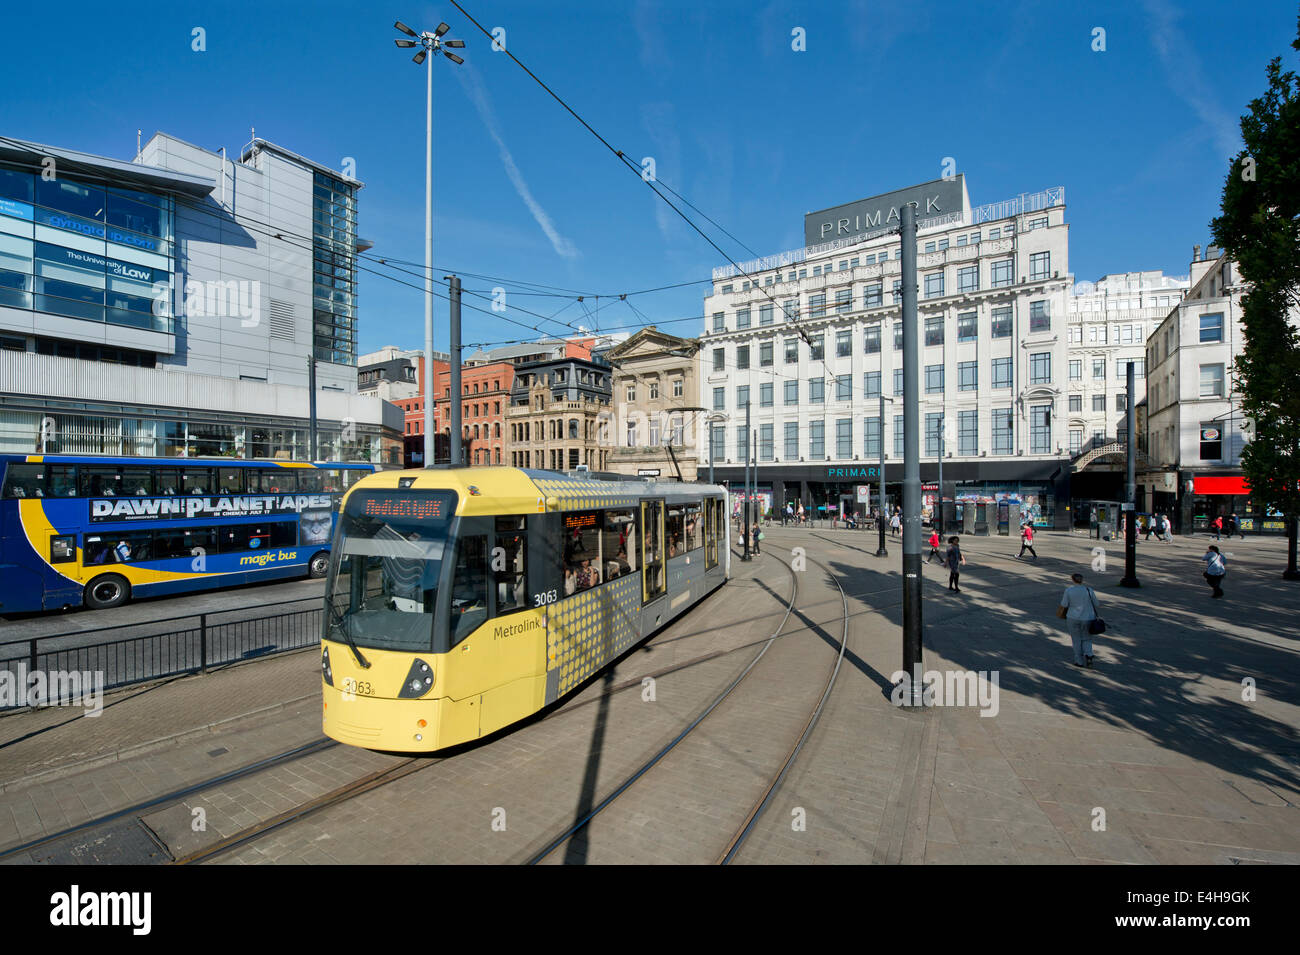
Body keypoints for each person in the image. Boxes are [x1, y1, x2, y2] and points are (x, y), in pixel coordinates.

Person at [1056, 572, 1099, 668]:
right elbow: (1096, 604)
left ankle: (1078, 660)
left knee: (1076, 639)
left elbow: (1064, 604)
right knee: (1087, 637)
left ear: (1072, 580)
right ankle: (1089, 654)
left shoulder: (1069, 590)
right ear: (1082, 580)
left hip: (1073, 617)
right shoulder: (1089, 590)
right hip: (1088, 617)